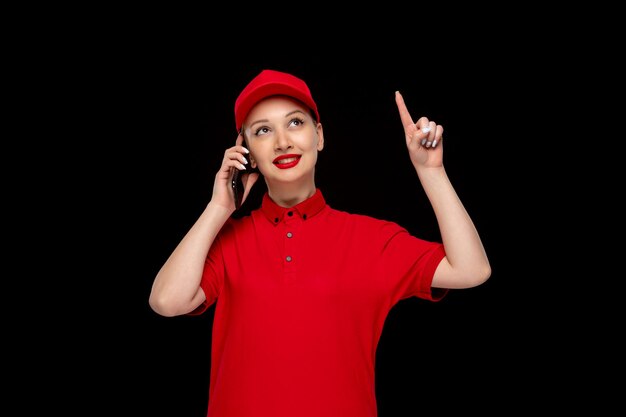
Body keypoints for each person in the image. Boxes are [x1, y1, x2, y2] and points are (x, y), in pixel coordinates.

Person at [149, 69, 491, 417]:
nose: (282, 141)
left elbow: (471, 269)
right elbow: (166, 300)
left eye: (295, 123)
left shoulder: (372, 239)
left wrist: (431, 171)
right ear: (245, 151)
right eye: (263, 130)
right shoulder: (227, 242)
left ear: (320, 135)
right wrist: (219, 207)